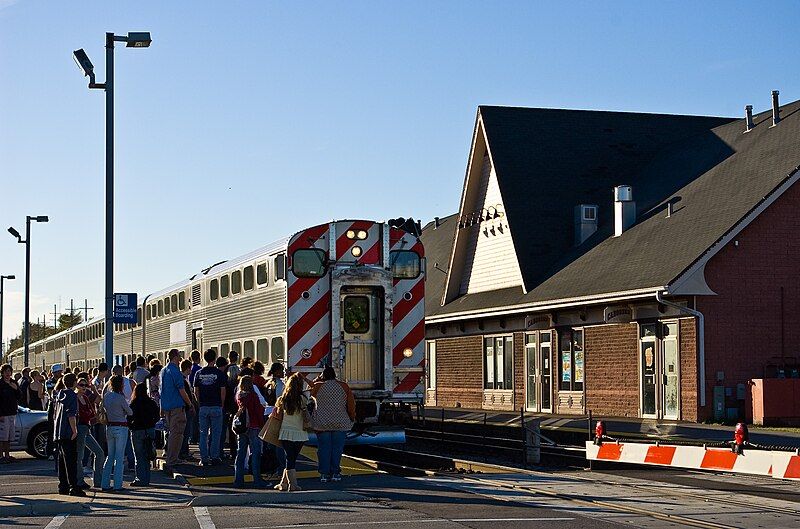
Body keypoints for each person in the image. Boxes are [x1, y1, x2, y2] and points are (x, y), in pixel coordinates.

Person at [308, 366, 356, 483]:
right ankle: (335, 473)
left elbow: (309, 389)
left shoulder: (318, 386)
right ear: (335, 375)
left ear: (323, 376)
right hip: (340, 422)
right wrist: (352, 417)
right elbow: (351, 404)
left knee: (323, 449)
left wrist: (317, 378)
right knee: (337, 449)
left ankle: (324, 474)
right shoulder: (344, 386)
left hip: (322, 423)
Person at [274, 373, 309, 492]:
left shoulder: (282, 399)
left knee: (290, 458)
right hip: (300, 432)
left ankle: (285, 484)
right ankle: (292, 484)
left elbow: (277, 414)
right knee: (292, 458)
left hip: (285, 432)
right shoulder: (303, 399)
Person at [160, 349, 192, 471]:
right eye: (179, 356)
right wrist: (189, 403)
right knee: (177, 433)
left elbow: (162, 391)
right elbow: (181, 390)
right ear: (175, 357)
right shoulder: (176, 372)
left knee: (172, 433)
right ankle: (172, 459)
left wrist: (162, 408)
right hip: (177, 407)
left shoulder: (163, 371)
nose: (180, 359)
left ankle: (172, 457)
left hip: (167, 406)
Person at [53, 373, 85, 496]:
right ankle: (74, 487)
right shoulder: (72, 395)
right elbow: (71, 415)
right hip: (68, 432)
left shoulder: (60, 394)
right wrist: (75, 430)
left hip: (59, 432)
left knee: (62, 461)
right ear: (74, 383)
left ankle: (63, 486)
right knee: (71, 461)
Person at [233, 375, 266, 487]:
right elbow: (258, 412)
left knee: (241, 453)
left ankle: (238, 480)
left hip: (242, 427)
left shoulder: (239, 395)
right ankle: (257, 479)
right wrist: (262, 425)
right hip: (254, 426)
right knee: (255, 453)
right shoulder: (253, 396)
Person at [195, 349, 226, 466]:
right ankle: (214, 456)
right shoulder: (219, 374)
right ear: (215, 358)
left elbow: (196, 391)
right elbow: (223, 391)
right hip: (216, 406)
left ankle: (204, 458)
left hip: (203, 406)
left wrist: (199, 403)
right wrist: (222, 404)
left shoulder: (199, 373)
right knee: (216, 433)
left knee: (203, 433)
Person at [101, 375, 132, 491]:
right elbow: (130, 412)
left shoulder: (107, 396)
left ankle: (105, 484)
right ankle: (118, 485)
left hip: (110, 427)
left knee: (110, 456)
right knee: (119, 458)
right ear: (121, 385)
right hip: (121, 426)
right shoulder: (120, 397)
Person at [129, 382, 159, 487]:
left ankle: (140, 478)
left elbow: (129, 418)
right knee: (148, 454)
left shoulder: (134, 403)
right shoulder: (151, 402)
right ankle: (147, 478)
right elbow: (157, 416)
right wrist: (151, 423)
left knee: (139, 456)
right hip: (149, 430)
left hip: (137, 430)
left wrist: (131, 426)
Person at [75, 378, 103, 489]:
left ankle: (98, 481)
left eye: (85, 385)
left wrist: (94, 389)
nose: (84, 387)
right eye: (81, 385)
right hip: (80, 428)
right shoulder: (75, 398)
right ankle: (79, 481)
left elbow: (92, 412)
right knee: (80, 456)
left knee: (99, 453)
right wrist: (87, 413)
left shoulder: (85, 398)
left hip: (87, 428)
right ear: (76, 385)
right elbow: (80, 414)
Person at [0, 364, 21, 464]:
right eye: (6, 371)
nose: (8, 373)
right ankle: (1, 456)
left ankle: (7, 455)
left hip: (12, 413)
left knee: (9, 437)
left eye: (9, 371)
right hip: (3, 414)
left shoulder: (14, 383)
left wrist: (15, 389)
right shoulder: (0, 384)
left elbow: (20, 396)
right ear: (2, 373)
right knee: (2, 437)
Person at [179, 359, 197, 461]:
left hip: (184, 408)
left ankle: (184, 451)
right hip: (186, 409)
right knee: (186, 432)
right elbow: (186, 394)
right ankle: (184, 452)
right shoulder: (183, 380)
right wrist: (191, 405)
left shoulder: (183, 379)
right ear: (188, 369)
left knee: (185, 432)